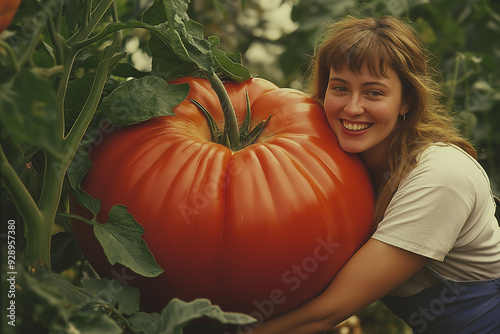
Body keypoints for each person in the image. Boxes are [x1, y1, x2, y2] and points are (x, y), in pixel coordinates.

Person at [252, 15, 500, 334]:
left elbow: (329, 311)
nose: (353, 108)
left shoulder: (440, 176)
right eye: (340, 87)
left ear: (406, 101)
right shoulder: (342, 163)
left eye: (374, 93)